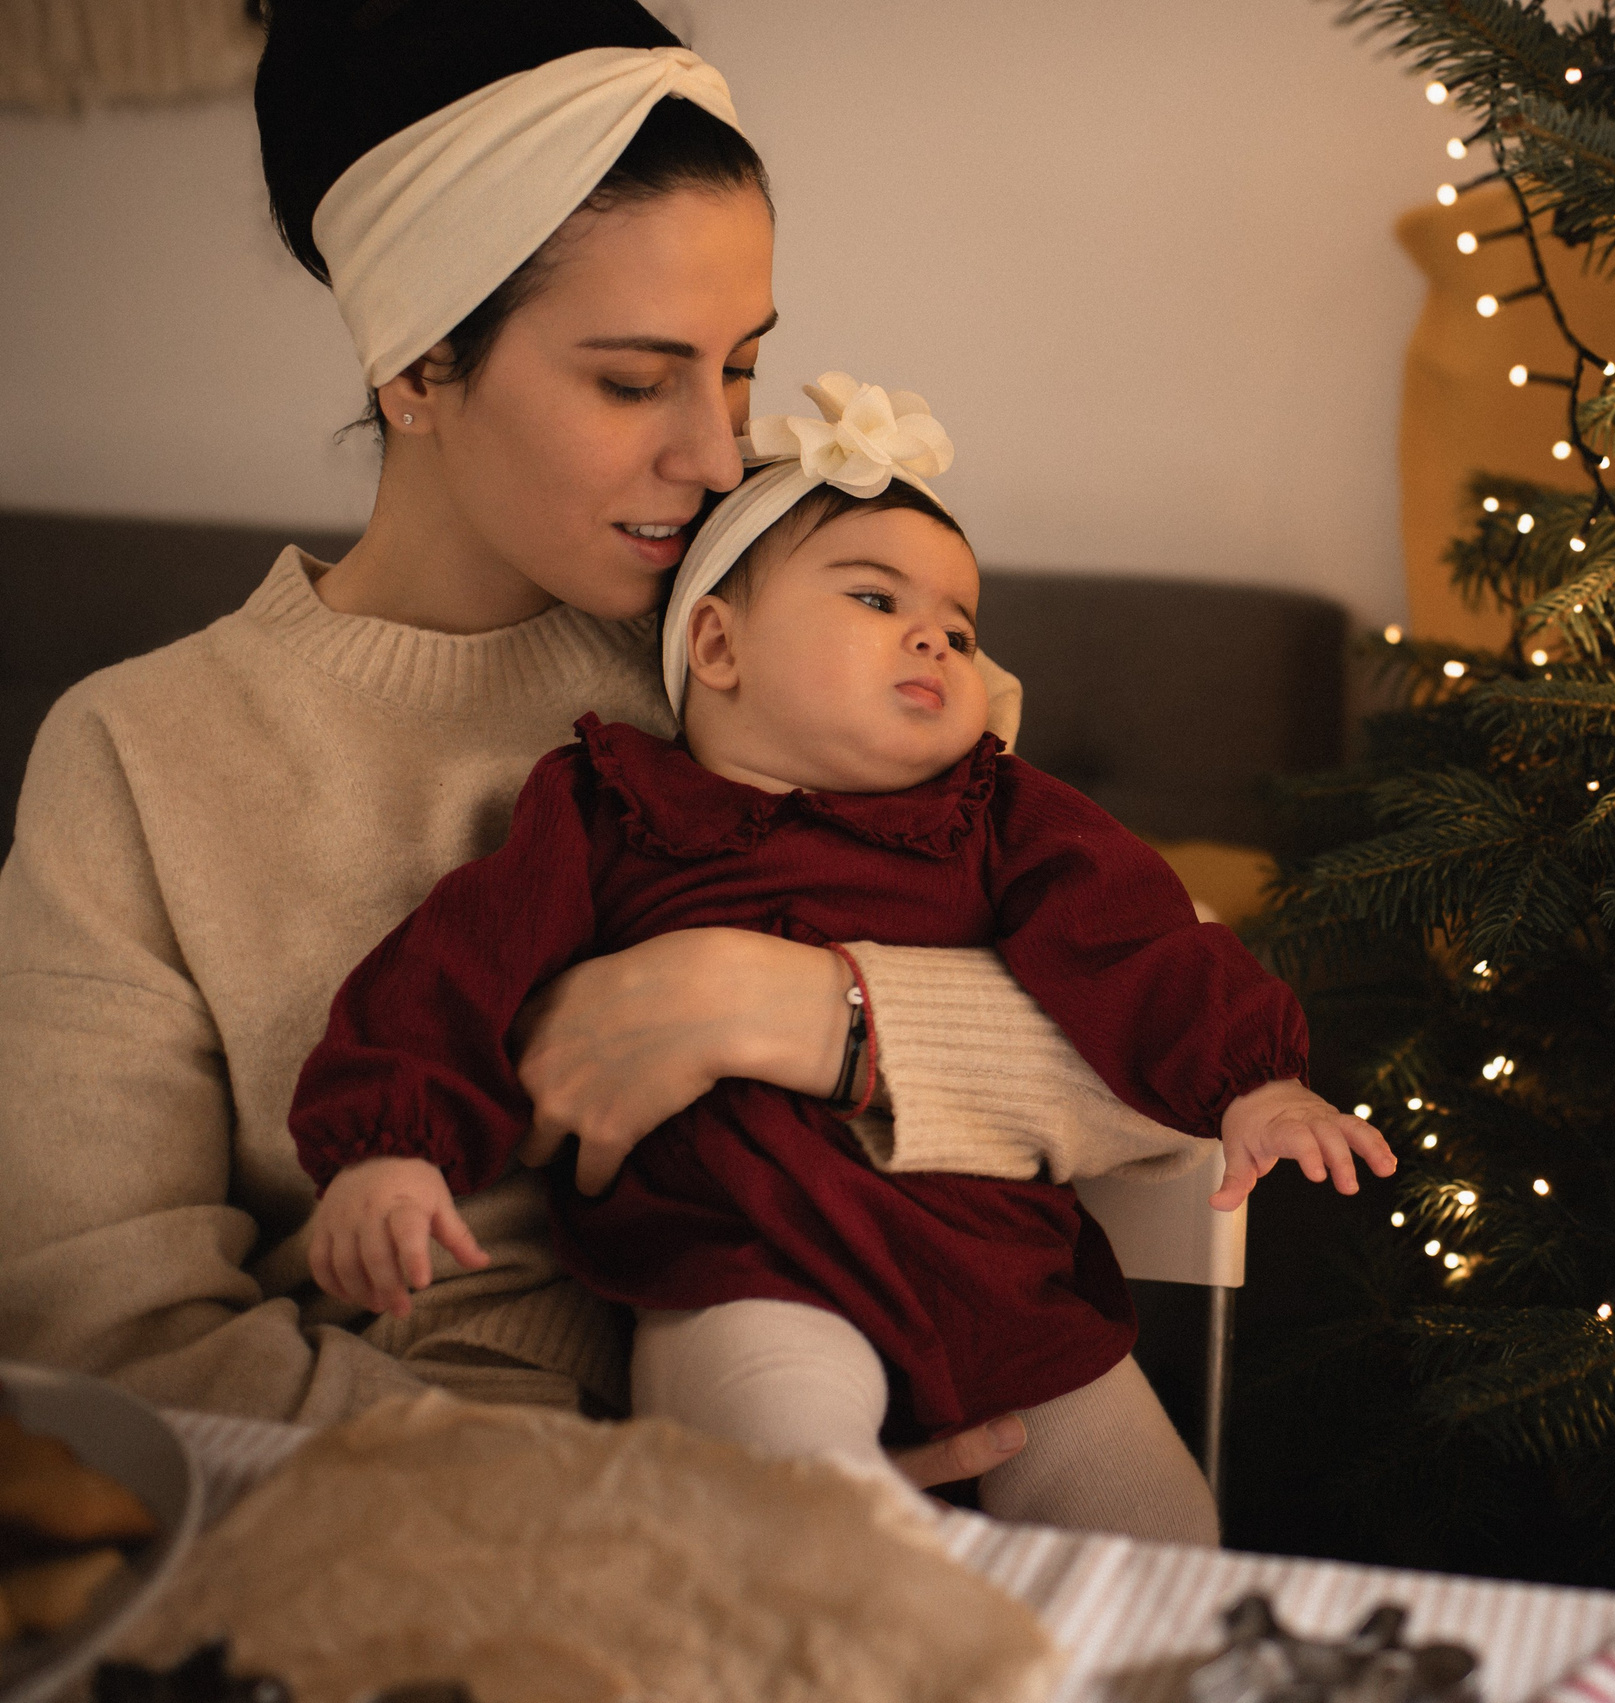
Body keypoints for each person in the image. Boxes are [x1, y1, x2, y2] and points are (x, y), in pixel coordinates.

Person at [0, 0, 1306, 1514]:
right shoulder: (145, 754)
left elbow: (1172, 1042)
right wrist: (665, 1493)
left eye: (742, 367)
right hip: (419, 1541)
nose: (714, 455)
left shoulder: (802, 636)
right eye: (635, 381)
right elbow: (104, 1344)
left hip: (916, 1429)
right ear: (418, 371)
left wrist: (807, 1007)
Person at [289, 375, 1396, 1526]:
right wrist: (389, 1146)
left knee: (1164, 1526)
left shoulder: (1000, 813)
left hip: (1001, 1275)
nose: (934, 634)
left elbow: (1141, 943)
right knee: (805, 1487)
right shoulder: (605, 804)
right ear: (716, 643)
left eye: (960, 629)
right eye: (874, 598)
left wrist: (1254, 1080)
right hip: (744, 1267)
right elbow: (453, 970)